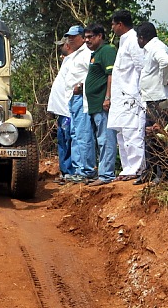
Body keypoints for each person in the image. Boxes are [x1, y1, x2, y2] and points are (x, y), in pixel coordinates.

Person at [108, 10, 146, 180]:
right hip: (120, 98)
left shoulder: (133, 41)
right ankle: (127, 167)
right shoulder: (124, 42)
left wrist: (140, 94)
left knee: (132, 132)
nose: (112, 28)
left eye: (113, 24)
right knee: (122, 134)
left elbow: (141, 68)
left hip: (131, 96)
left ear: (120, 25)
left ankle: (137, 167)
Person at [136, 21, 168, 178]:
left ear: (142, 37)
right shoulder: (152, 48)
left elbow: (165, 62)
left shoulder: (156, 47)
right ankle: (152, 173)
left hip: (160, 100)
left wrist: (164, 78)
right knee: (151, 135)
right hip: (154, 99)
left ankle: (162, 174)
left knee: (158, 136)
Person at [83, 24, 118, 186]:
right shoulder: (95, 54)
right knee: (100, 139)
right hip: (95, 105)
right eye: (86, 37)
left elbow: (111, 75)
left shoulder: (107, 51)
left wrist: (108, 97)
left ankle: (107, 175)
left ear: (100, 36)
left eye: (90, 36)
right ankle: (103, 172)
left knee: (106, 139)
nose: (87, 40)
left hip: (102, 104)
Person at [61, 25, 96, 183]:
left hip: (82, 98)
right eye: (69, 36)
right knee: (75, 134)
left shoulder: (87, 53)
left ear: (82, 37)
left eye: (73, 36)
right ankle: (78, 169)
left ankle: (86, 170)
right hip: (72, 99)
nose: (70, 39)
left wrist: (81, 86)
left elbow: (92, 73)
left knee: (83, 134)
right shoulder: (76, 54)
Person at [46, 37, 76, 182]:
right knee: (62, 140)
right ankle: (65, 172)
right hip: (61, 112)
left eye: (62, 45)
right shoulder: (67, 60)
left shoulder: (74, 61)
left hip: (67, 111)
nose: (60, 49)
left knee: (69, 140)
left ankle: (70, 171)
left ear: (68, 45)